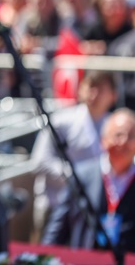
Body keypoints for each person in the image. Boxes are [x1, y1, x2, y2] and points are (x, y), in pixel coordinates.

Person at [30, 70, 118, 241]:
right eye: (90, 87)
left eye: (101, 89)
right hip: (54, 203)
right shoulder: (62, 120)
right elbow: (39, 161)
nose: (94, 94)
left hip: (93, 211)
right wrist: (77, 177)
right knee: (44, 252)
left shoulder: (115, 126)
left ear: (113, 96)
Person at [42, 108, 135, 253]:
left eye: (130, 136)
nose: (123, 142)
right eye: (118, 135)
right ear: (103, 140)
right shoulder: (81, 176)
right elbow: (57, 228)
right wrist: (44, 257)